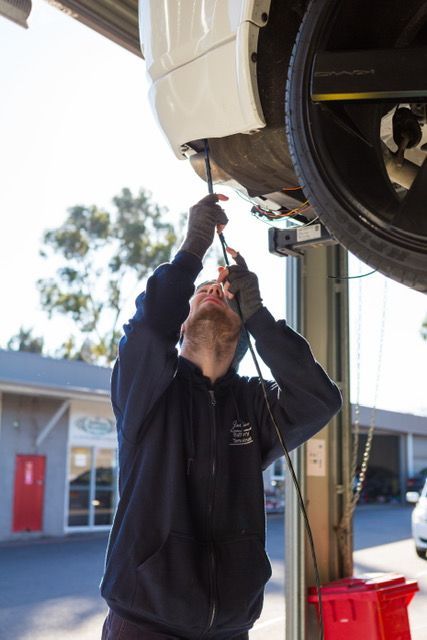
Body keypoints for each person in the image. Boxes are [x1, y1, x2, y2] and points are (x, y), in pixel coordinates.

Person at [100, 194, 342, 640]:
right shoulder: (148, 391)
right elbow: (148, 330)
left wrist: (260, 314)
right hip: (145, 621)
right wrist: (192, 249)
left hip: (230, 627)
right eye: (200, 294)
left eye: (225, 294)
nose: (213, 291)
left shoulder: (255, 404)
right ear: (182, 324)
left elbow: (319, 399)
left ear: (243, 324)